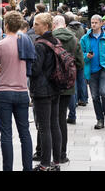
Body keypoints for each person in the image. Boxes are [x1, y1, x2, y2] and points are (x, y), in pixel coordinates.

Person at [0, 11, 33, 171]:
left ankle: (8, 168)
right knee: (24, 133)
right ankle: (27, 167)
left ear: (6, 25)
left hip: (4, 92)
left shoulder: (0, 45)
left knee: (6, 134)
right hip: (22, 92)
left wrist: (0, 69)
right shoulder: (26, 43)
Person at [30, 13, 62, 171]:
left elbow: (35, 70)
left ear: (46, 26)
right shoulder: (56, 41)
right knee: (54, 125)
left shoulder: (39, 45)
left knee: (44, 128)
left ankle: (44, 164)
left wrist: (27, 63)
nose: (34, 26)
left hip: (42, 90)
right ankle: (56, 162)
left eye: (37, 24)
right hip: (55, 87)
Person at [52, 15, 84, 163]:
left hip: (51, 85)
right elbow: (80, 63)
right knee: (62, 119)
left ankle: (46, 152)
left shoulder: (49, 39)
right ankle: (62, 154)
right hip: (67, 85)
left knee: (50, 119)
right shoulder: (74, 39)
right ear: (65, 25)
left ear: (53, 25)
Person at [80, 15, 105, 130]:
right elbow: (80, 54)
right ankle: (99, 119)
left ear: (101, 24)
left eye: (96, 22)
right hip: (91, 70)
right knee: (95, 96)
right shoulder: (85, 38)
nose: (94, 25)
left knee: (103, 92)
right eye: (92, 22)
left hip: (104, 68)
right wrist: (86, 56)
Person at [68, 16, 88, 106]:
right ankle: (83, 99)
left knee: (74, 80)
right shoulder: (81, 28)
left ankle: (75, 100)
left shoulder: (68, 29)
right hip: (80, 54)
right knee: (82, 79)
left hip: (72, 55)